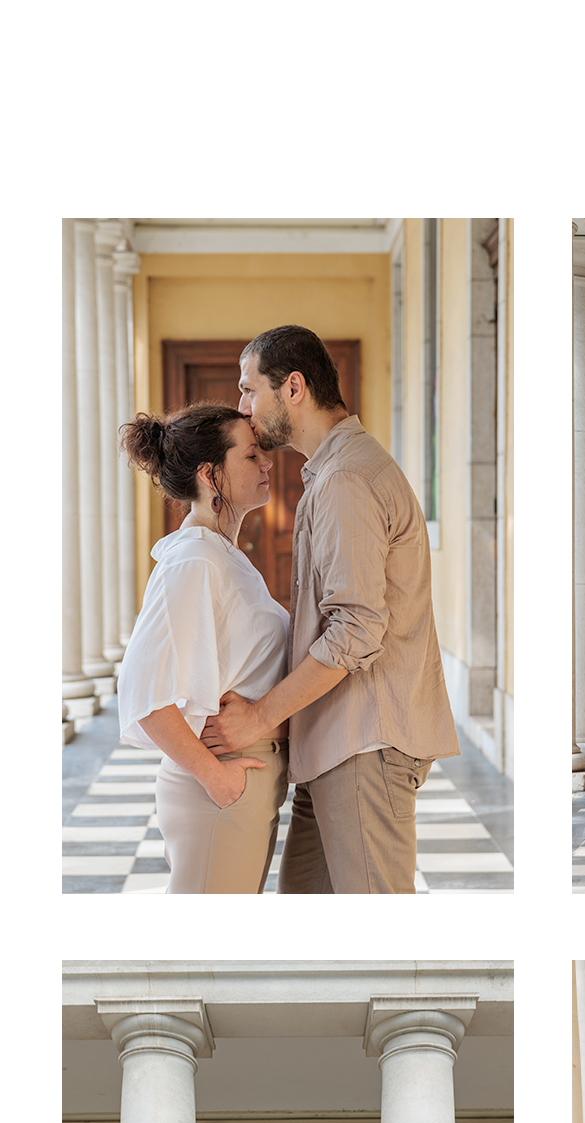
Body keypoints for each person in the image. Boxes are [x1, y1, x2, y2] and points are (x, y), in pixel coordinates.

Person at [200, 325, 459, 892]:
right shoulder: (333, 471)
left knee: (378, 950)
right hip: (336, 746)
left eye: (250, 390)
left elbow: (356, 630)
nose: (244, 407)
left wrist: (261, 715)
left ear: (293, 387)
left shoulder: (345, 477)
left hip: (364, 744)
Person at [116, 405, 289, 892]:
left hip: (243, 782)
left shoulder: (221, 556)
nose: (267, 464)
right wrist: (215, 777)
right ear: (210, 474)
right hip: (220, 791)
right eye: (251, 455)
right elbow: (144, 693)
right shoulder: (193, 560)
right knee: (206, 955)